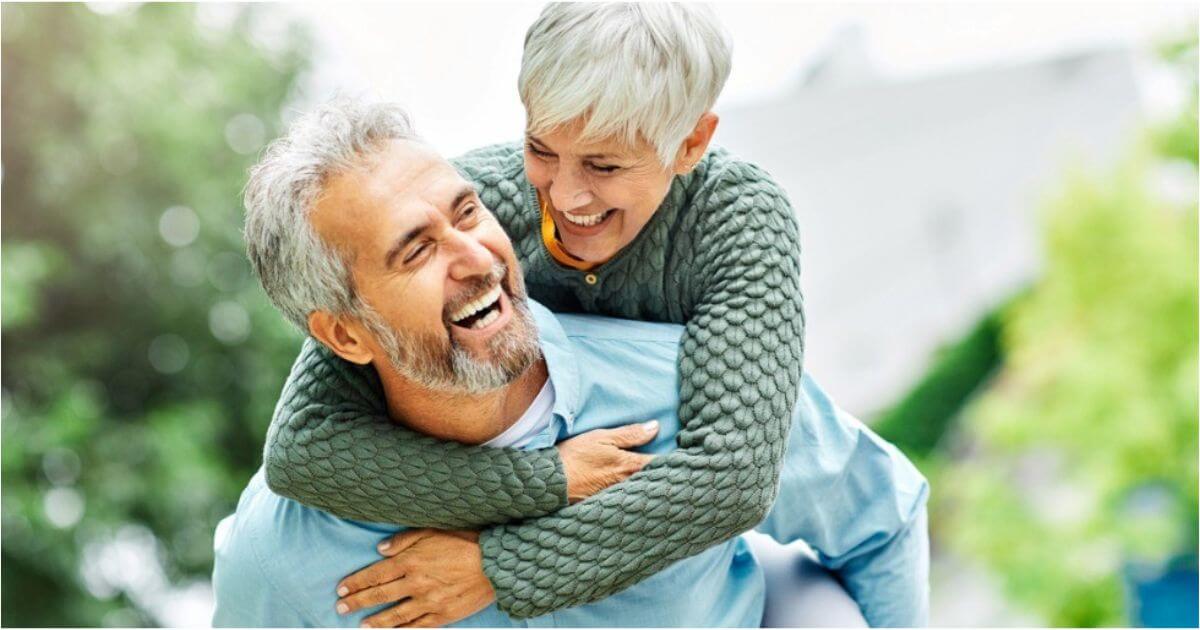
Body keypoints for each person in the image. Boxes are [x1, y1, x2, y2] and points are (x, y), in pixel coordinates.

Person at [213, 99, 929, 627]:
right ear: (344, 336)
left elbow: (882, 517)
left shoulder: (686, 390)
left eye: (467, 214)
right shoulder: (283, 557)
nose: (475, 258)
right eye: (416, 250)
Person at [262, 4, 812, 622]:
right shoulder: (472, 205)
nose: (564, 194)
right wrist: (544, 482)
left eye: (604, 165)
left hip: (746, 556)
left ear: (690, 143)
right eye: (541, 148)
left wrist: (500, 567)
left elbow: (733, 477)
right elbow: (301, 447)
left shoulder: (740, 220)